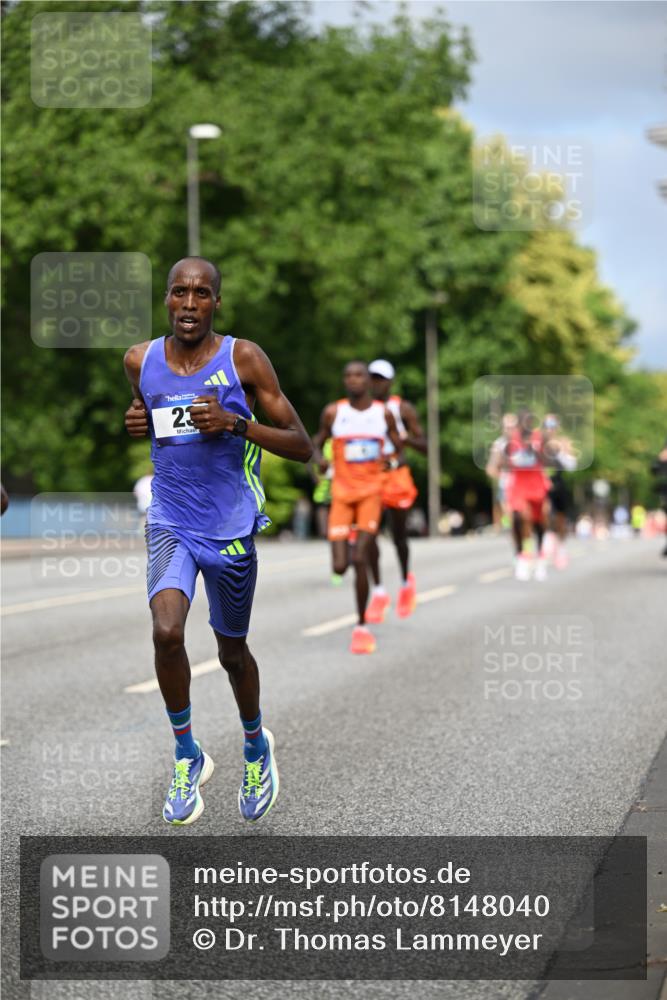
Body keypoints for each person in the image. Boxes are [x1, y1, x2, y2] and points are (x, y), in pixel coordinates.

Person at [123, 257, 311, 827]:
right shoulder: (139, 360)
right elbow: (151, 412)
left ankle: (255, 746)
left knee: (231, 652)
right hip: (170, 520)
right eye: (179, 292)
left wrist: (234, 423)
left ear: (215, 303)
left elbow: (302, 446)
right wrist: (134, 418)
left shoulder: (244, 359)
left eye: (201, 294)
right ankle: (187, 753)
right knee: (166, 631)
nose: (188, 303)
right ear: (166, 299)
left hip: (229, 526)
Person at [312, 361, 402, 654]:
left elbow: (398, 446)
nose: (353, 380)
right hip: (341, 495)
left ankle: (361, 626)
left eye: (359, 375)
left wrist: (392, 462)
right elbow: (316, 441)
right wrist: (319, 461)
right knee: (340, 565)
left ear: (368, 381)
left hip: (370, 495)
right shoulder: (334, 412)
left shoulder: (382, 413)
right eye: (348, 375)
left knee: (360, 557)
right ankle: (355, 553)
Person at [365, 359, 426, 622]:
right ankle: (378, 591)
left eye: (380, 379)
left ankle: (404, 582)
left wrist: (405, 440)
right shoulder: (361, 408)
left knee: (399, 535)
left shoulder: (402, 408)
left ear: (390, 382)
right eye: (372, 378)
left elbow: (424, 444)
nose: (375, 383)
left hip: (396, 476)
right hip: (369, 477)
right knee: (368, 533)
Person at [501, 410, 551, 581]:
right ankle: (524, 556)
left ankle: (541, 556)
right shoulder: (511, 440)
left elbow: (548, 459)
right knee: (523, 518)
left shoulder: (539, 438)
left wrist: (538, 450)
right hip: (519, 487)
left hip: (537, 486)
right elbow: (505, 461)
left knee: (541, 522)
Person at [541, 413, 577, 569]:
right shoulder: (537, 442)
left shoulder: (563, 443)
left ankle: (561, 548)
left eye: (553, 427)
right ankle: (546, 543)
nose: (550, 430)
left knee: (560, 518)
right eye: (547, 426)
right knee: (544, 513)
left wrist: (560, 451)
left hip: (557, 483)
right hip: (541, 484)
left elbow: (572, 465)